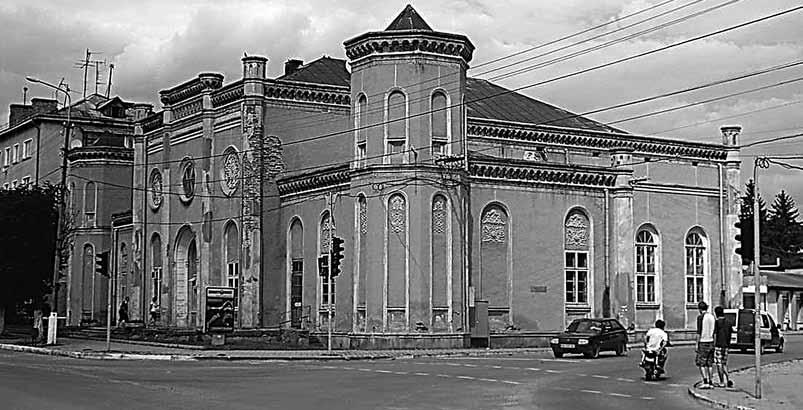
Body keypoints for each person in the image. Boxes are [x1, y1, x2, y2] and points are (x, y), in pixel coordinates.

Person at [696, 301, 716, 389]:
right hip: (711, 341)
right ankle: (711, 381)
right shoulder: (712, 317)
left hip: (703, 341)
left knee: (701, 363)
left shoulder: (700, 317)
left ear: (700, 309)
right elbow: (715, 332)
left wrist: (697, 344)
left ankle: (705, 381)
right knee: (710, 363)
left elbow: (699, 332)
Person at [713, 306, 733, 388]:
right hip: (726, 345)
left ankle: (721, 381)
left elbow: (715, 335)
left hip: (718, 345)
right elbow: (730, 334)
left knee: (719, 364)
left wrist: (713, 345)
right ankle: (728, 379)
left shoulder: (717, 323)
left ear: (716, 314)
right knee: (724, 363)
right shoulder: (728, 323)